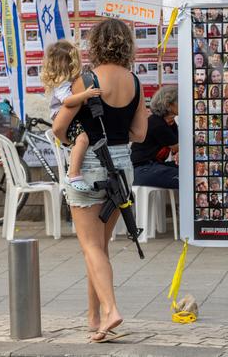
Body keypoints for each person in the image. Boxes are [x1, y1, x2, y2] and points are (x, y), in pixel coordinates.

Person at [52, 19, 148, 342]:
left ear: (96, 44)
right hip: (121, 165)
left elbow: (58, 127)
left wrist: (73, 141)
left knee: (90, 246)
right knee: (99, 247)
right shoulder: (135, 82)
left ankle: (110, 310)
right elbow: (140, 133)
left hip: (89, 163)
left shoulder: (86, 80)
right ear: (126, 46)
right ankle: (94, 317)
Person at [40, 40, 103, 191]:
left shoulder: (68, 80)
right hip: (59, 115)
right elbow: (67, 101)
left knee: (81, 140)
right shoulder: (61, 83)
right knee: (82, 139)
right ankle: (73, 174)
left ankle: (73, 172)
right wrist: (85, 94)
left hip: (67, 116)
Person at [131, 86, 178, 188]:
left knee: (188, 171)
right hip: (142, 170)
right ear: (169, 104)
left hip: (154, 166)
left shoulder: (170, 123)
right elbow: (177, 147)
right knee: (186, 176)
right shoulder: (157, 123)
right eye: (179, 101)